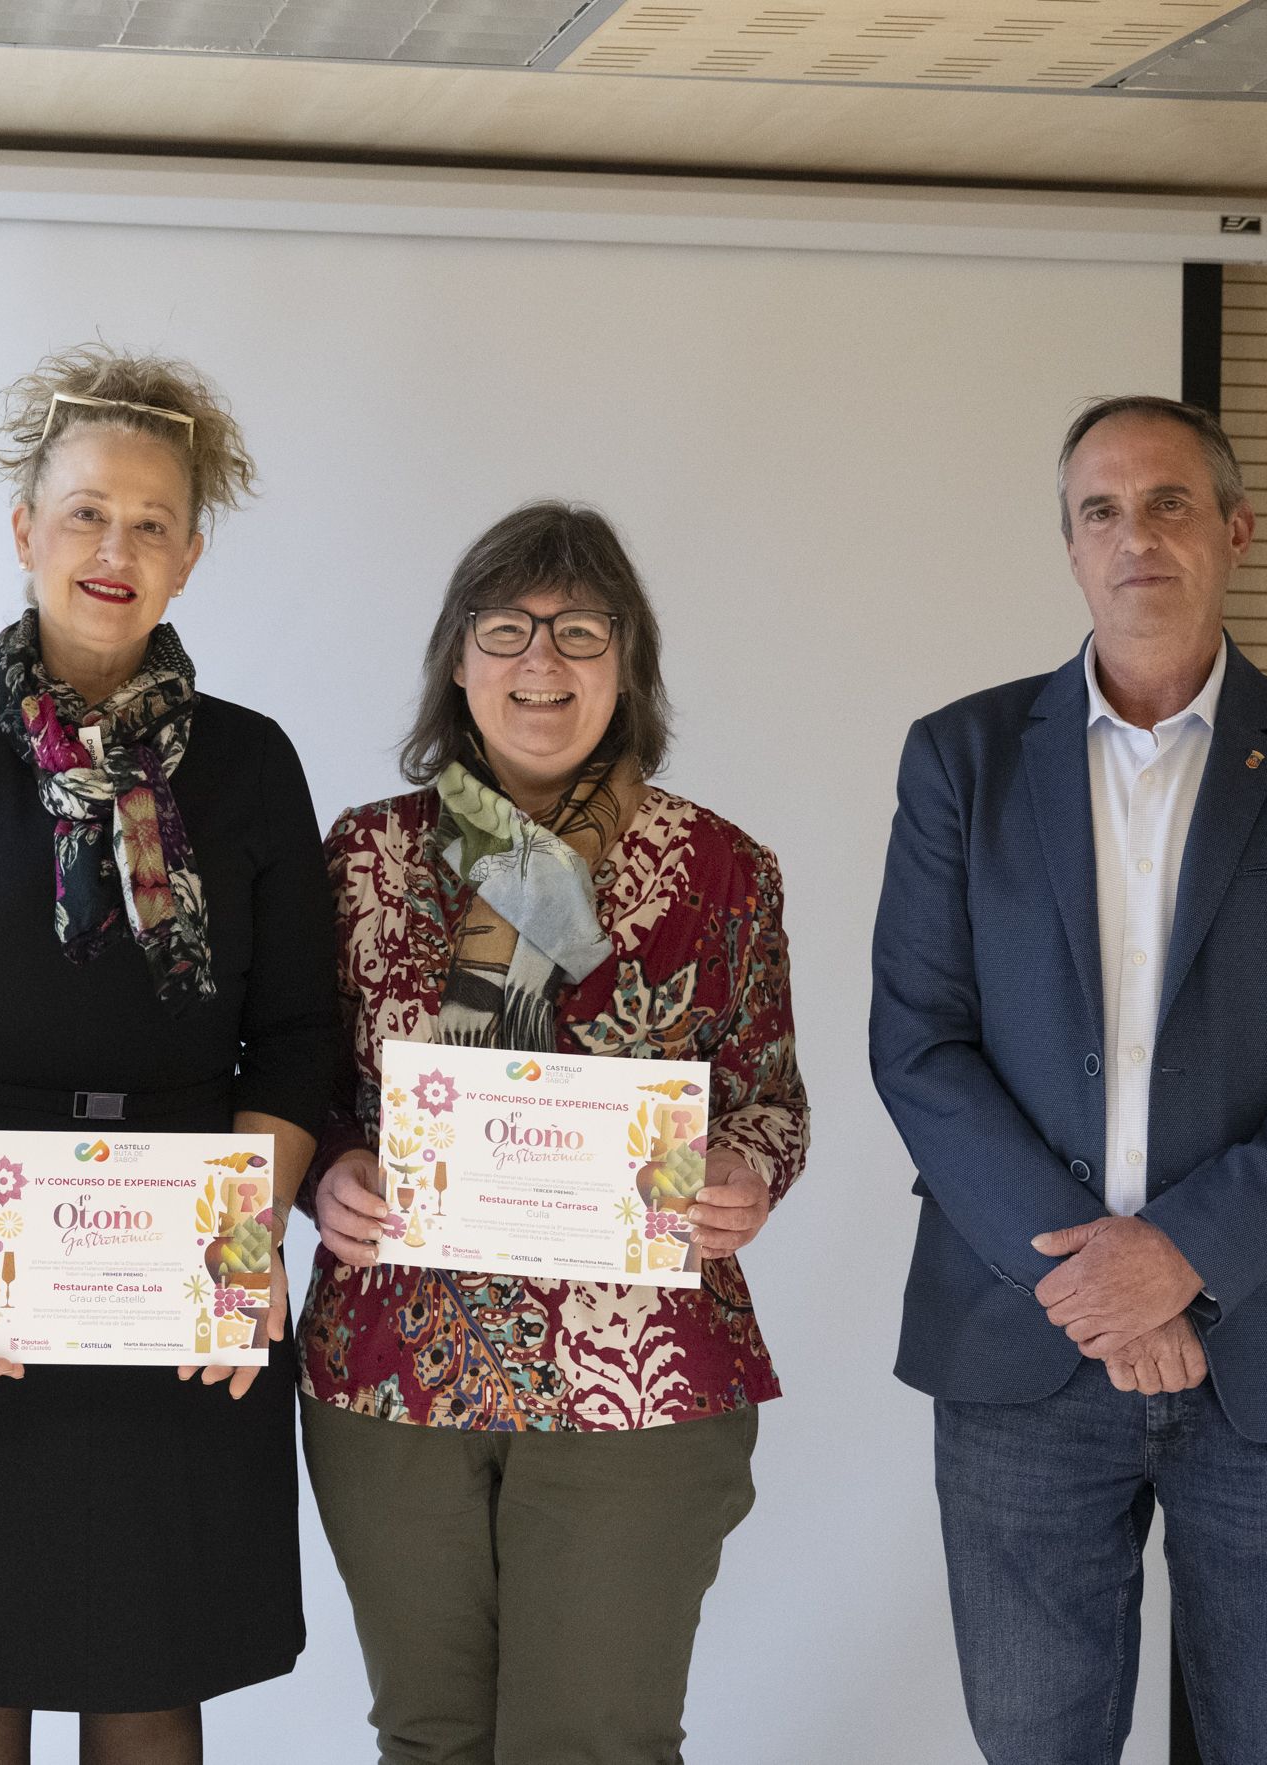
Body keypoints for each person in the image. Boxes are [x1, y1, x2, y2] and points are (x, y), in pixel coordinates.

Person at [0, 345, 340, 1765]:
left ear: (193, 557)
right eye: (86, 512)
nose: (116, 547)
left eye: (152, 522)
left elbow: (294, 1040)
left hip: (176, 1257)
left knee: (147, 1673)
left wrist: (244, 1243)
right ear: (25, 530)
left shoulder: (254, 765)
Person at [872, 395, 1267, 1765]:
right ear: (1070, 546)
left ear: (1234, 531)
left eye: (1171, 503)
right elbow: (920, 1042)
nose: (1138, 536)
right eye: (1102, 511)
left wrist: (1180, 1252)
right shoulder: (961, 758)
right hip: (1027, 1349)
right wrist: (1099, 1284)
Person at [298, 501, 808, 1765]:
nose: (543, 661)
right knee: (427, 1740)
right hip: (395, 1375)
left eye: (582, 631)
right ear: (457, 659)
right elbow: (302, 1086)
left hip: (636, 1376)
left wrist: (748, 1172)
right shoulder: (364, 859)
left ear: (627, 663)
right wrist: (326, 1173)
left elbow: (770, 1096)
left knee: (591, 1744)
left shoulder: (721, 872)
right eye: (509, 627)